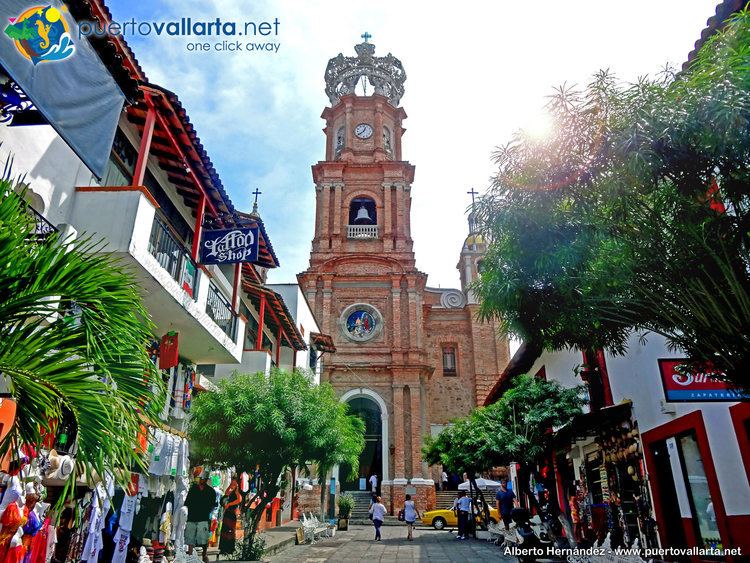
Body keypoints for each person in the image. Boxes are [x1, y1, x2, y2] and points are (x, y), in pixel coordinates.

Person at [184, 471, 218, 563]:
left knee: (203, 538)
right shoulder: (193, 489)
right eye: (200, 478)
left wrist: (208, 512)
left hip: (204, 517)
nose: (201, 480)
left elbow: (213, 505)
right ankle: (190, 554)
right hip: (192, 516)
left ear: (206, 479)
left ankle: (204, 554)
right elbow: (187, 502)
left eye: (203, 479)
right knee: (190, 536)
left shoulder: (210, 491)